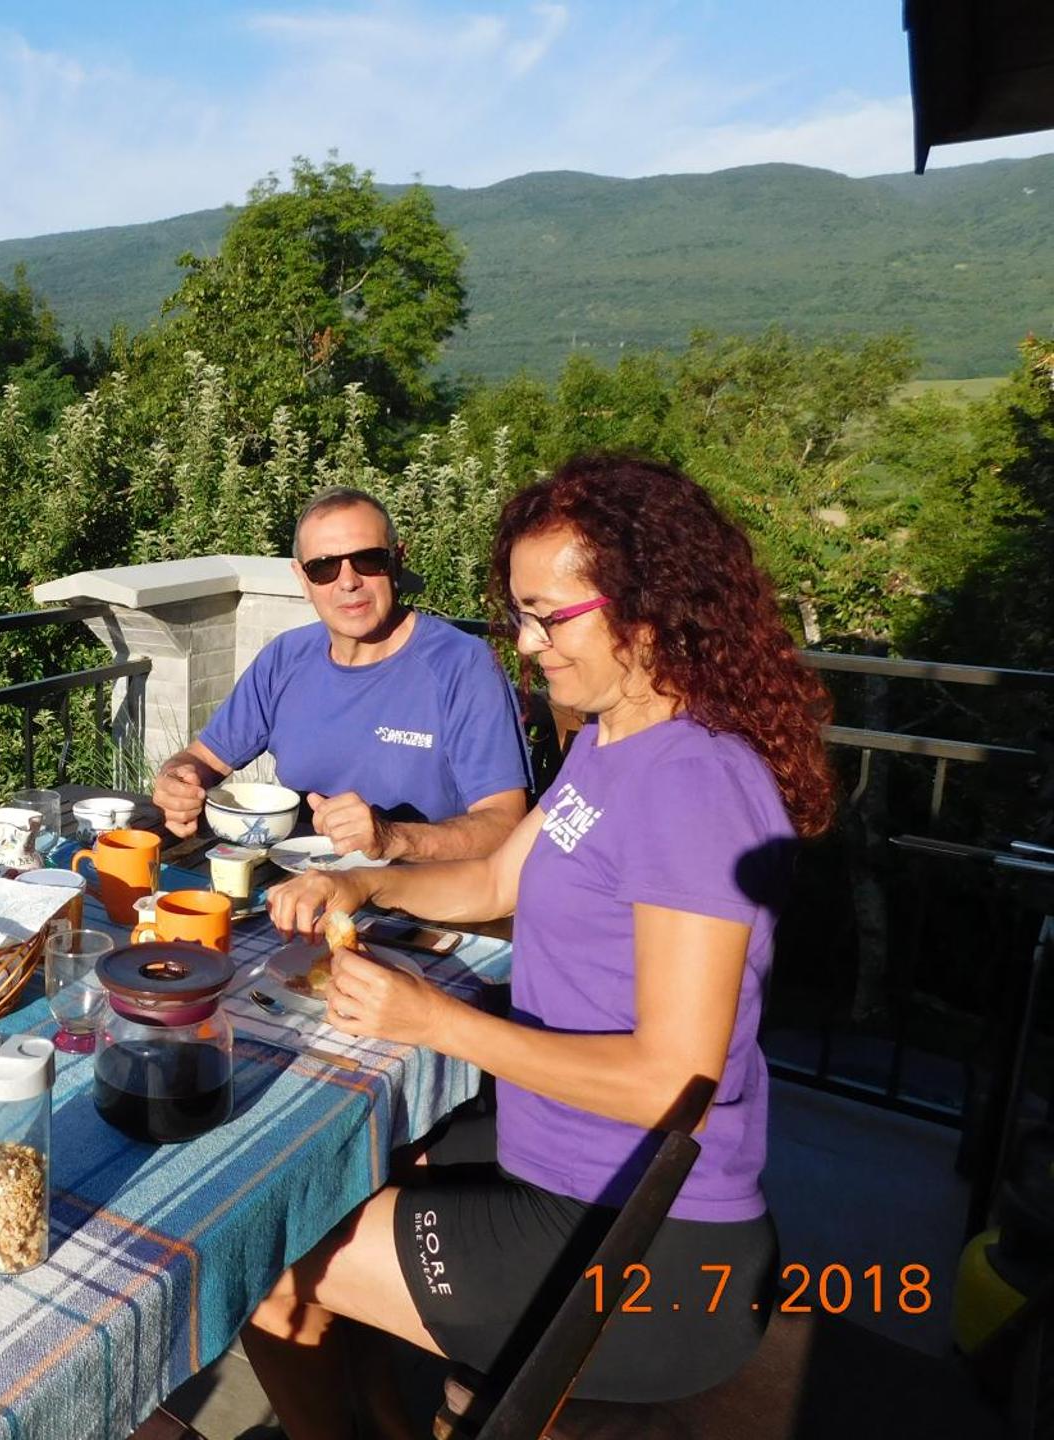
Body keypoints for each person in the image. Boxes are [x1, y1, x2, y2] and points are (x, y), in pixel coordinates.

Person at [243, 456, 836, 1437]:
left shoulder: (694, 784)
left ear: (643, 606)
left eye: (547, 615)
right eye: (519, 614)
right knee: (347, 1172)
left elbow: (671, 1081)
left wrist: (432, 1019)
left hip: (649, 1235)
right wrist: (364, 878)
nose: (525, 645)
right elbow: (493, 880)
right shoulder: (614, 739)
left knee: (267, 1261)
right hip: (558, 1156)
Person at [151, 487, 530, 861]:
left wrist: (393, 837)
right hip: (295, 885)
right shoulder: (285, 659)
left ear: (396, 562)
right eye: (324, 567)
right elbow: (201, 759)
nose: (348, 581)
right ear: (303, 580)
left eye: (368, 560)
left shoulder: (464, 665)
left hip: (414, 898)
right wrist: (178, 781)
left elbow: (506, 824)